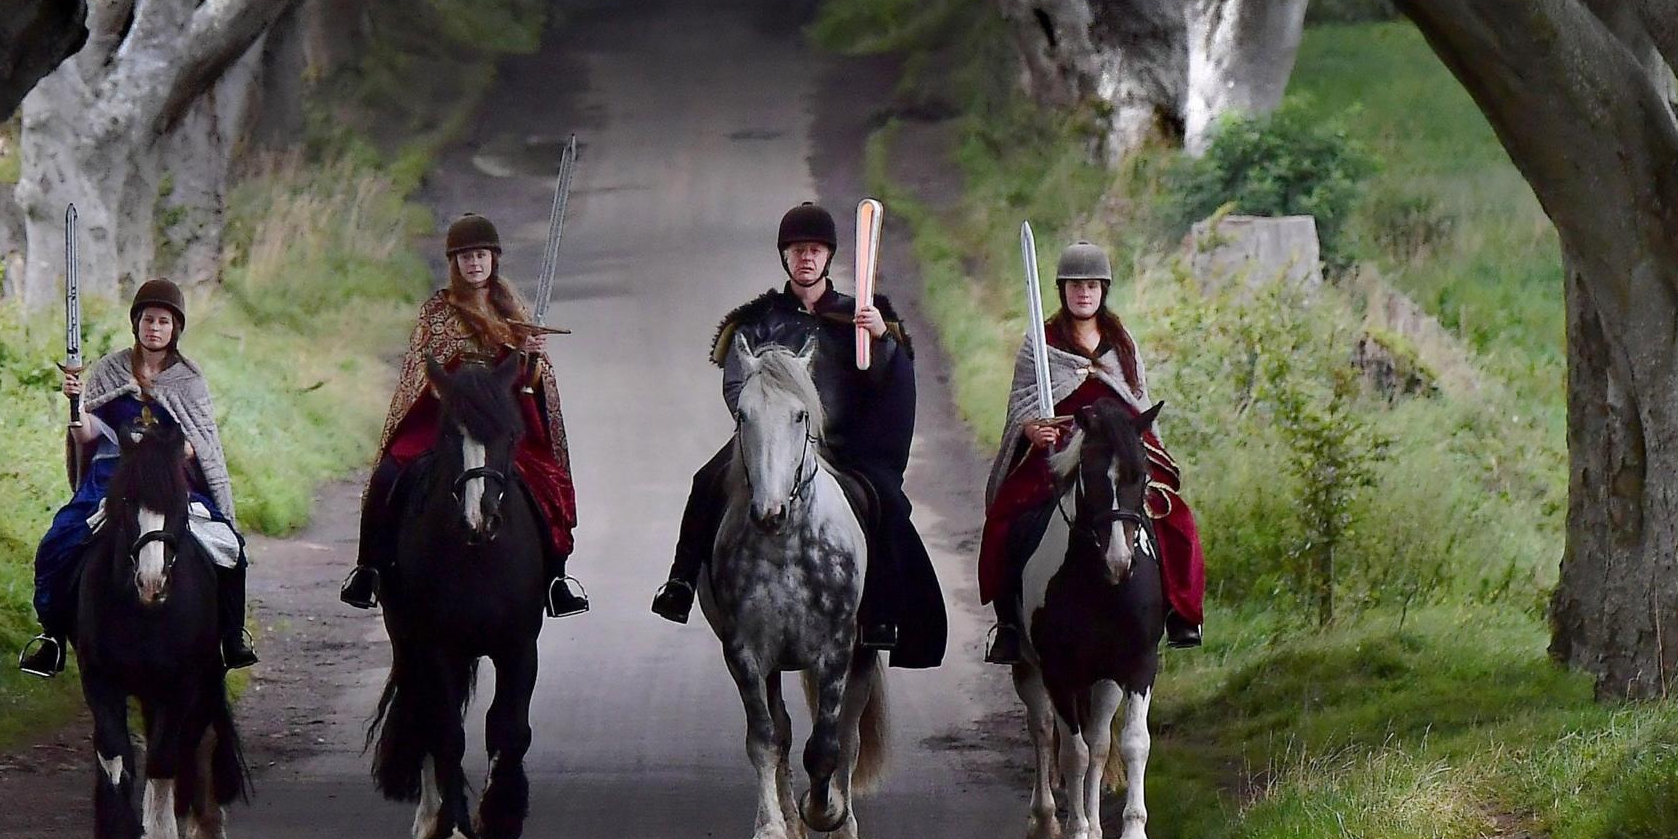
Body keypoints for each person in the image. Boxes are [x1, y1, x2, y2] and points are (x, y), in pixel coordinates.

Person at [648, 201, 948, 668]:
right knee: (705, 482)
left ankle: (881, 613)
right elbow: (736, 384)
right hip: (769, 441)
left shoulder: (860, 317)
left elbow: (886, 384)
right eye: (797, 250)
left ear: (828, 257)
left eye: (815, 250)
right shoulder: (757, 322)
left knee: (884, 504)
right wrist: (765, 422)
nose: (806, 258)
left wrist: (882, 341)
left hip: (843, 447)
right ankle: (681, 583)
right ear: (784, 257)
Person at [339, 212, 591, 618]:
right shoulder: (437, 311)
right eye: (466, 257)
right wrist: (452, 387)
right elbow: (422, 369)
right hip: (444, 416)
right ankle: (368, 569)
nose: (474, 264)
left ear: (493, 259)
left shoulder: (512, 309)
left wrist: (531, 355)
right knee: (388, 474)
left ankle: (555, 578)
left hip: (498, 420)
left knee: (549, 481)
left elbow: (529, 381)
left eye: (481, 256)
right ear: (454, 263)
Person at [976, 240, 1205, 664]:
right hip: (1061, 445)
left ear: (1103, 290)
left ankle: (1180, 613)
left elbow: (1136, 398)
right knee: (1008, 517)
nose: (1084, 293)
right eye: (1075, 285)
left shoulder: (1122, 341)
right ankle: (1009, 624)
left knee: (1174, 515)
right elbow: (1023, 406)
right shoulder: (1041, 342)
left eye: (1092, 285)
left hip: (1121, 445)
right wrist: (1032, 429)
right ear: (1063, 290)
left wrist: (1133, 439)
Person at [19, 278, 255, 679]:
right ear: (136, 323)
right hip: (111, 479)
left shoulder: (188, 380)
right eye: (148, 319)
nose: (154, 328)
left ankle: (231, 636)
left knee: (230, 547)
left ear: (175, 328)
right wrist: (75, 405)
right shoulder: (110, 371)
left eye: (163, 321)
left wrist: (167, 454)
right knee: (57, 542)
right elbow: (87, 434)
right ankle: (53, 636)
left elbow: (198, 443)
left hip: (170, 482)